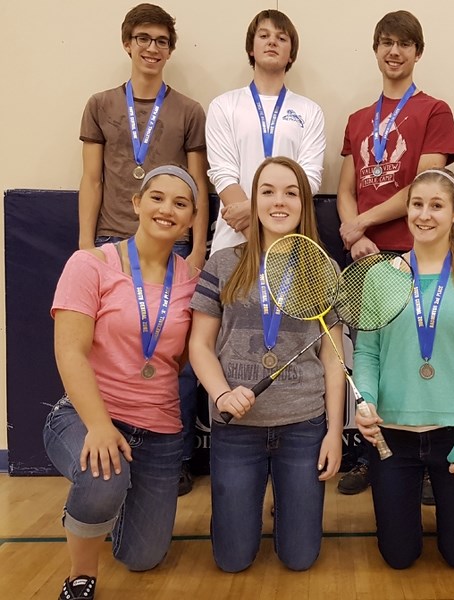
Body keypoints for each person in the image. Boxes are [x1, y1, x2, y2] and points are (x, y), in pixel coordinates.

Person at [44, 166, 200, 600]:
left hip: (160, 430)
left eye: (180, 203)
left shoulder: (193, 282)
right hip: (87, 416)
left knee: (142, 557)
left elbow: (183, 358)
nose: (167, 209)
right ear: (136, 204)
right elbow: (69, 351)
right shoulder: (89, 263)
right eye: (157, 198)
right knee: (103, 476)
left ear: (191, 220)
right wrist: (98, 425)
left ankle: (101, 506)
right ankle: (81, 576)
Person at [78, 3, 210, 495]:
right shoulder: (100, 104)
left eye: (161, 41)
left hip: (171, 250)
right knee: (107, 357)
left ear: (170, 50)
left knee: (171, 357)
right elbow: (91, 179)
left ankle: (170, 458)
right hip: (114, 243)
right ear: (127, 44)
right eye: (143, 38)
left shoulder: (189, 111)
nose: (152, 48)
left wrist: (196, 250)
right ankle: (103, 442)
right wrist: (86, 247)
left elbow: (197, 184)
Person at [189, 156, 344, 572]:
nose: (280, 201)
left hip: (303, 427)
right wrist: (222, 393)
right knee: (232, 560)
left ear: (304, 203)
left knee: (299, 559)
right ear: (253, 200)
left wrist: (333, 431)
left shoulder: (323, 268)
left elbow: (333, 355)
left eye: (291, 193)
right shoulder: (222, 263)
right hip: (236, 427)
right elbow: (199, 346)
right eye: (268, 191)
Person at [337, 10, 454, 498]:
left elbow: (423, 185)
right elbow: (346, 187)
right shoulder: (357, 119)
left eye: (404, 44)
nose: (394, 51)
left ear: (417, 52)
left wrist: (362, 222)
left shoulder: (434, 111)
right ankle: (375, 456)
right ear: (376, 50)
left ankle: (426, 460)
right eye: (386, 43)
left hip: (416, 256)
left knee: (418, 358)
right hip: (366, 257)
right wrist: (354, 235)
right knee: (372, 363)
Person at [353, 169, 454, 570]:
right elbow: (367, 354)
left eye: (437, 205)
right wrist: (365, 400)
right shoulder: (380, 276)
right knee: (398, 557)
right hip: (392, 437)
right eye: (417, 204)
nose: (425, 214)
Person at [206, 9, 325, 255]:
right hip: (234, 239)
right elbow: (223, 174)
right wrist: (257, 236)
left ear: (291, 54)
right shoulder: (223, 105)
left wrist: (252, 212)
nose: (272, 41)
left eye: (281, 38)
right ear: (251, 48)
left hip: (289, 242)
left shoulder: (309, 111)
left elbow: (308, 178)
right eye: (264, 35)